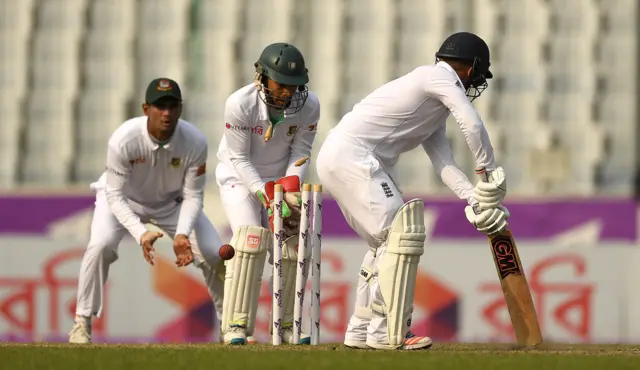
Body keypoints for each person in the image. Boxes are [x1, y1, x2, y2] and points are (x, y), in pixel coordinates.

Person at [316, 32, 510, 350]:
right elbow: (472, 125)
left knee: (384, 244)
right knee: (402, 235)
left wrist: (474, 197)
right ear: (470, 66)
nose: (477, 80)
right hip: (353, 158)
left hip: (343, 158)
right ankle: (388, 331)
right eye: (478, 72)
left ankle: (361, 327)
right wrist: (487, 173)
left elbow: (443, 163)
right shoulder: (437, 77)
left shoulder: (432, 104)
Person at [68, 78, 233, 344]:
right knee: (100, 245)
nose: (166, 113)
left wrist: (182, 234)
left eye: (171, 106)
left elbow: (193, 195)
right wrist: (140, 232)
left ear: (180, 108)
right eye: (159, 106)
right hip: (124, 201)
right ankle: (81, 323)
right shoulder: (124, 140)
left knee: (215, 254)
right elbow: (114, 195)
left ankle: (230, 327)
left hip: (173, 203)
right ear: (146, 108)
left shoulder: (195, 141)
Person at [215, 42, 320, 345]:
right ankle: (236, 325)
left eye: (294, 85)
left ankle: (286, 324)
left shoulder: (310, 105)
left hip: (280, 181)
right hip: (239, 178)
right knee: (250, 240)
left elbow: (301, 151)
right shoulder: (240, 104)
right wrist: (266, 195)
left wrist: (288, 190)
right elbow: (239, 158)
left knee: (291, 247)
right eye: (281, 84)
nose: (287, 92)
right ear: (261, 77)